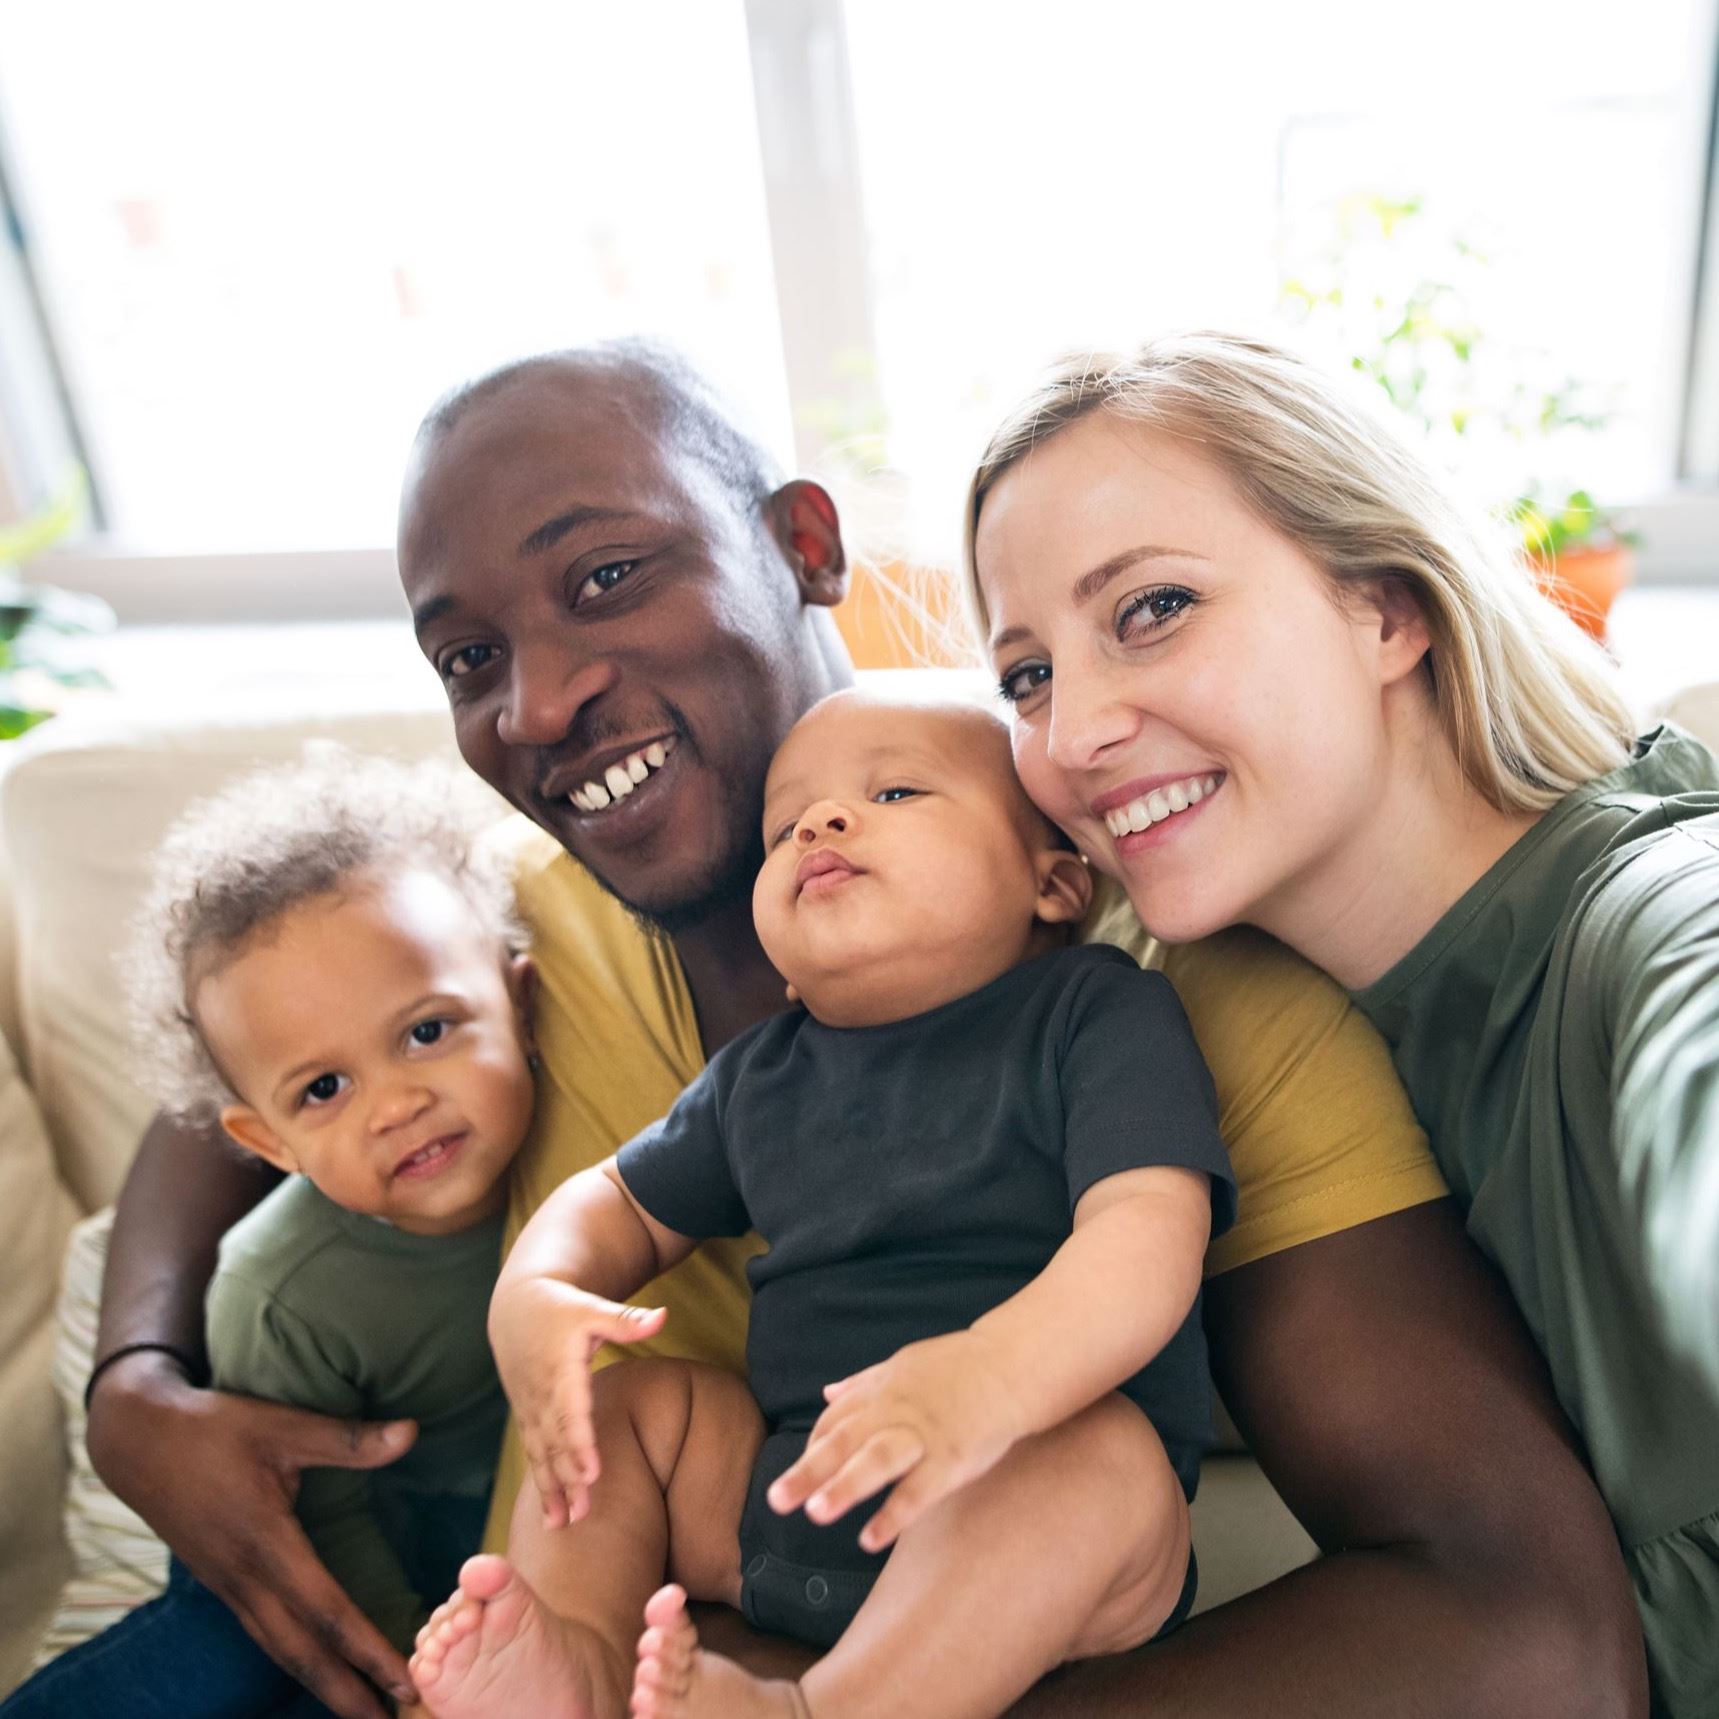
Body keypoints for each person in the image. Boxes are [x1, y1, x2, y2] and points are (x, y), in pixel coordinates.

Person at [78, 343, 1645, 1719]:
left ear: (801, 545)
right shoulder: (515, 939)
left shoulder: (1169, 986)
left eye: (608, 573)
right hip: (679, 1567)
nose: (537, 702)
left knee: (1077, 1454)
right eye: (467, 658)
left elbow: (1530, 1639)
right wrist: (138, 1380)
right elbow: (237, 1068)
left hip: (952, 1593)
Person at [964, 329, 1719, 1717]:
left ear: (1381, 607)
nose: (1069, 733)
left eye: (1148, 609)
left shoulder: (1653, 919)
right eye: (1024, 674)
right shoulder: (1227, 1035)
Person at [410, 690, 1234, 1719]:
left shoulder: (1096, 1013)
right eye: (783, 825)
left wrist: (990, 1380)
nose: (820, 824)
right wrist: (535, 1290)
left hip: (1044, 1523)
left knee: (1100, 1456)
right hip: (797, 1495)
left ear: (1054, 883)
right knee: (629, 1411)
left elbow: (1146, 1240)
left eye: (892, 791)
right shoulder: (760, 1075)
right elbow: (616, 1200)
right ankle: (577, 1662)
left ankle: (818, 1710)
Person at [3, 754, 537, 1718]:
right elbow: (309, 1518)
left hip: (488, 1524)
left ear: (522, 1000)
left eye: (426, 1031)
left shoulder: (591, 1153)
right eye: (324, 1089)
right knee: (220, 1664)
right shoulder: (275, 1289)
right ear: (266, 1142)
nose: (398, 1103)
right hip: (310, 1538)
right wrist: (406, 1679)